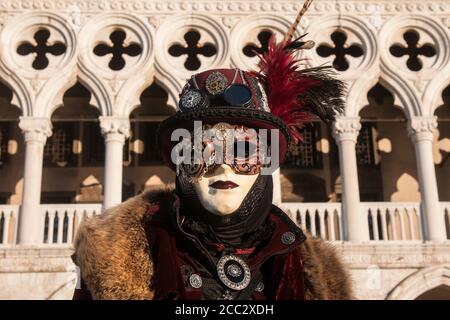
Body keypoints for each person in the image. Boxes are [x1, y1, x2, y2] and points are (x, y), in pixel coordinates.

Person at [71, 24, 352, 300]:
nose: (223, 166)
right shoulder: (108, 255)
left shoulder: (311, 269)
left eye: (242, 150)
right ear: (182, 165)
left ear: (265, 161)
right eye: (200, 153)